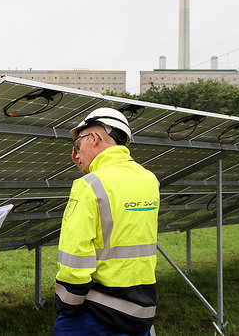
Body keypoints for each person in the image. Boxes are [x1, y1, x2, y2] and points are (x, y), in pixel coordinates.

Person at [54, 108, 160, 336]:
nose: (76, 154)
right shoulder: (149, 180)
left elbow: (75, 264)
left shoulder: (88, 186)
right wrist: (88, 166)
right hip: (141, 310)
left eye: (77, 146)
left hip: (97, 315)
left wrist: (66, 306)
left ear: (93, 138)